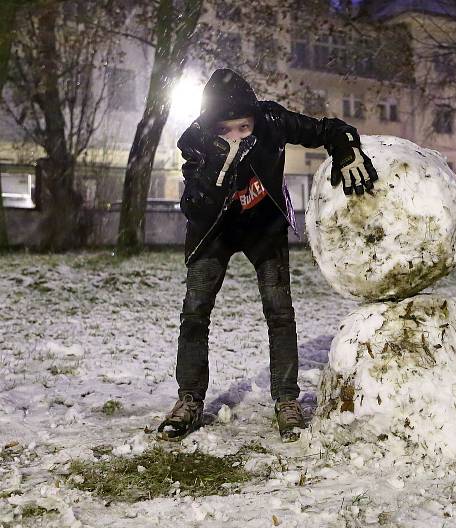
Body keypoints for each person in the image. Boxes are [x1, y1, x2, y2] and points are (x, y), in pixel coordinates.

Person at [157, 68, 378, 442]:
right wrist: (218, 170)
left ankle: (287, 400)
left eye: (244, 128)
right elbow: (194, 208)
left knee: (279, 311)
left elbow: (328, 129)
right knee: (195, 312)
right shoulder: (194, 141)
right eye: (226, 130)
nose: (239, 137)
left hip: (263, 227)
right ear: (211, 127)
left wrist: (345, 148)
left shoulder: (271, 119)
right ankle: (189, 399)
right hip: (214, 232)